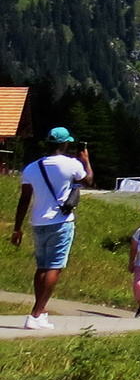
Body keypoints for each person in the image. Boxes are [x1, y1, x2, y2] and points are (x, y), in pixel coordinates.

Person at [9, 127, 92, 330]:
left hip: (38, 221)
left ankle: (40, 313)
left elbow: (24, 199)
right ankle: (36, 313)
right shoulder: (72, 165)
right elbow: (88, 180)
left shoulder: (31, 168)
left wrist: (17, 228)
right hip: (61, 222)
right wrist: (86, 160)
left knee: (42, 266)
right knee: (55, 266)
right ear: (65, 144)